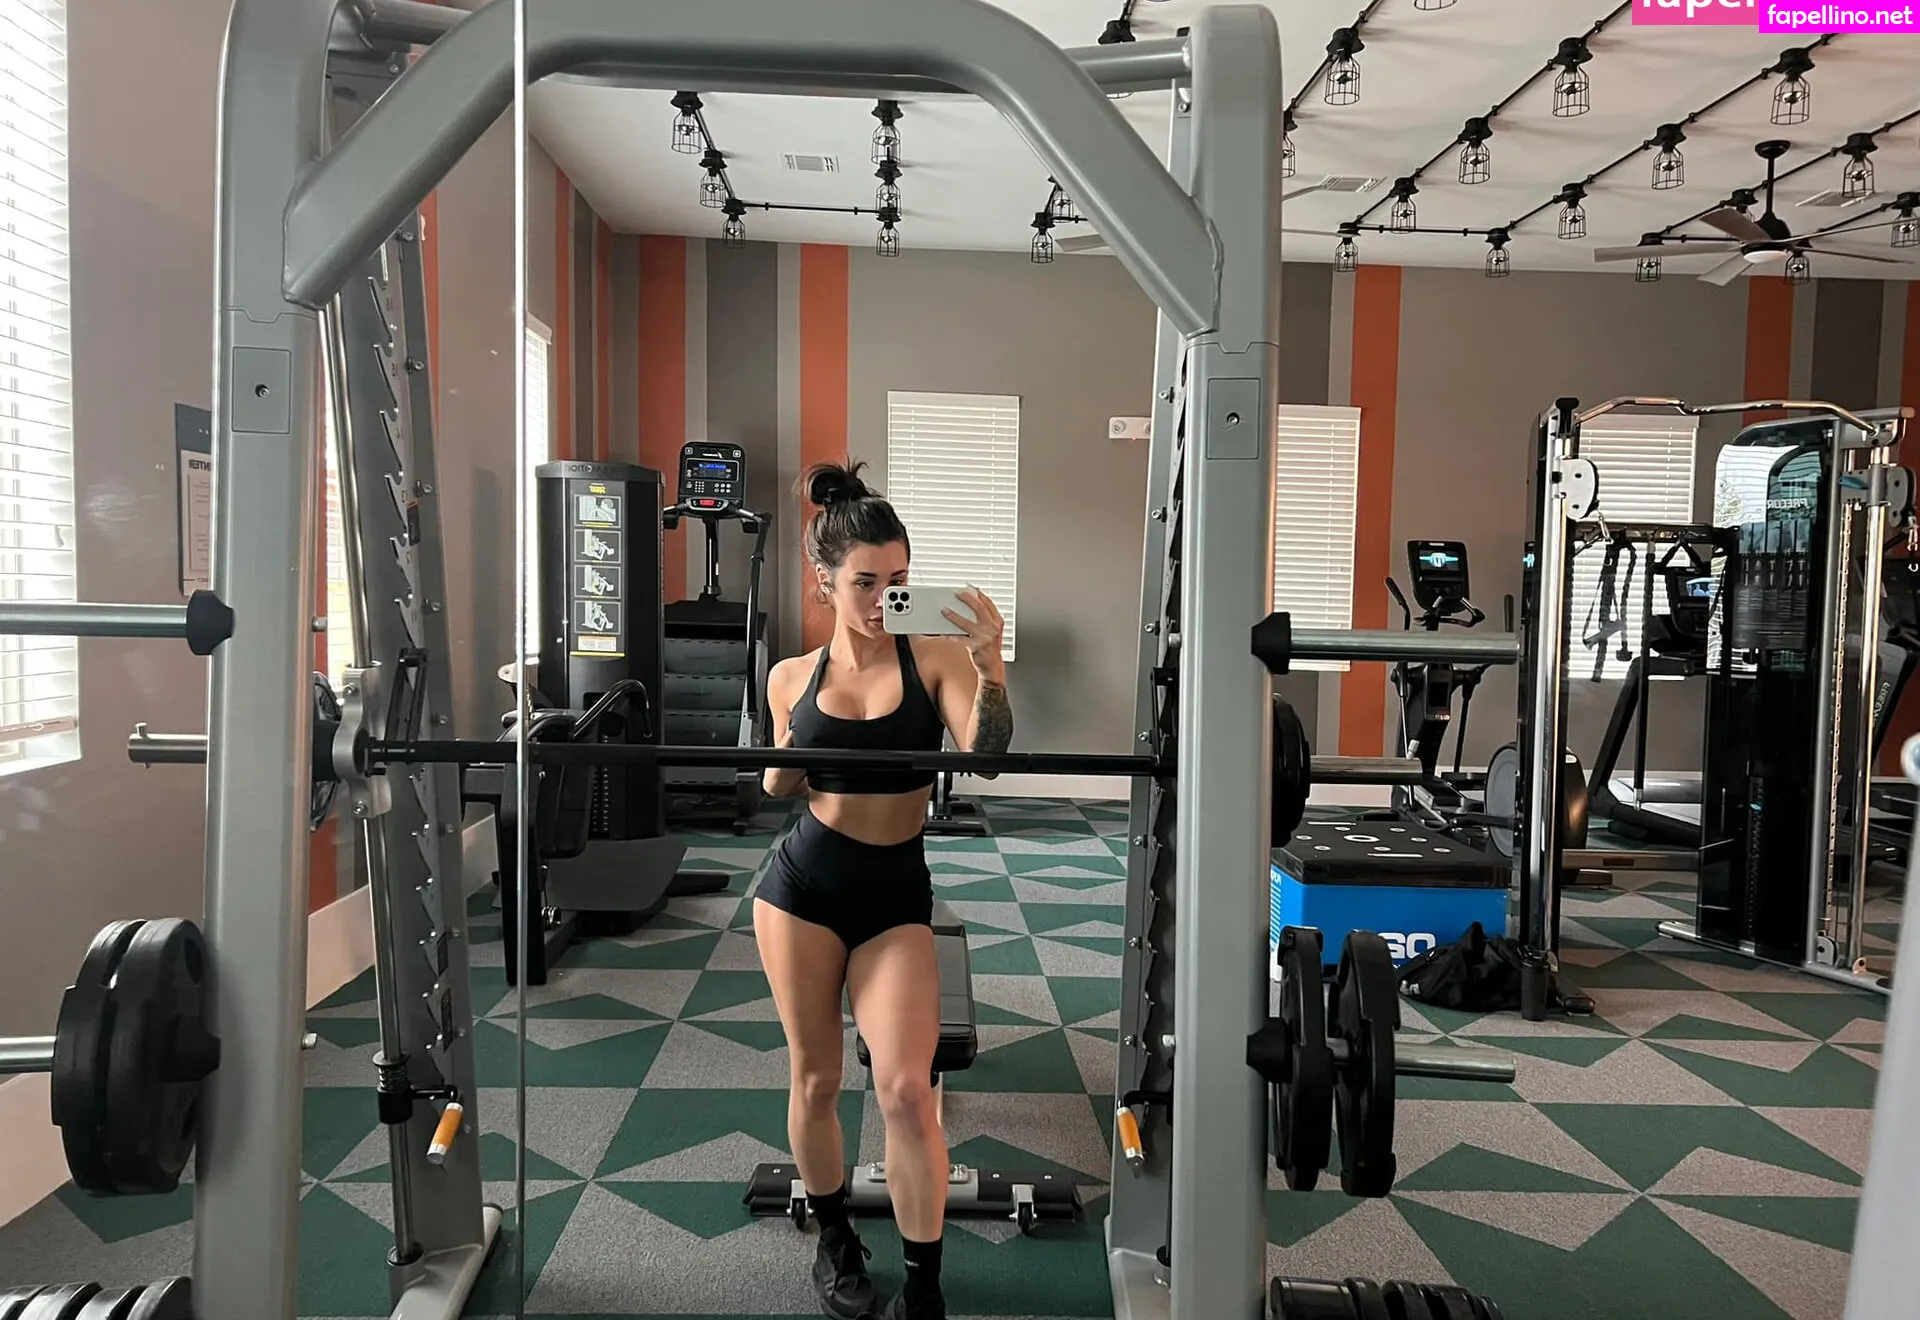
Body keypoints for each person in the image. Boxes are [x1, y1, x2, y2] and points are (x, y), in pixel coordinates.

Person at [755, 461, 1013, 1320]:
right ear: (824, 580)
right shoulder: (791, 676)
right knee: (817, 1079)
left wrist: (991, 666)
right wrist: (790, 748)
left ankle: (925, 1287)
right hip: (802, 890)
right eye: (864, 582)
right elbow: (777, 786)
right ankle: (835, 1242)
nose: (881, 598)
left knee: (906, 1089)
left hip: (895, 892)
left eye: (897, 579)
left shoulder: (933, 658)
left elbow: (985, 757)